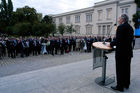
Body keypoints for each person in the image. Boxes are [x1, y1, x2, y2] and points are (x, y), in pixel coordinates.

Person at [109, 14, 134, 92]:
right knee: (127, 69)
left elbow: (118, 40)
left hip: (121, 53)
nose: (118, 20)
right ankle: (126, 84)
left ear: (123, 19)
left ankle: (120, 86)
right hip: (128, 53)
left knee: (120, 69)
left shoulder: (120, 27)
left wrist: (110, 43)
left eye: (119, 18)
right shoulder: (130, 28)